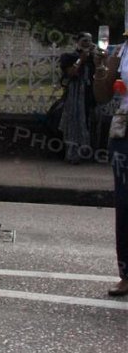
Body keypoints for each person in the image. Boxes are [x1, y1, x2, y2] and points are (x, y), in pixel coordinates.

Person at [93, 41, 128, 296]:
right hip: (125, 130)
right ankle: (126, 275)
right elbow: (102, 95)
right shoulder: (122, 50)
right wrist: (100, 69)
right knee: (125, 204)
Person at [59, 33, 98, 163]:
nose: (87, 43)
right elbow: (71, 73)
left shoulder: (92, 59)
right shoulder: (69, 57)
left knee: (88, 121)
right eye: (84, 40)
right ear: (78, 42)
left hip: (89, 94)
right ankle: (72, 153)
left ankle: (87, 152)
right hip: (74, 95)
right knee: (74, 122)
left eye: (89, 41)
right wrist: (81, 59)